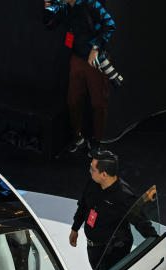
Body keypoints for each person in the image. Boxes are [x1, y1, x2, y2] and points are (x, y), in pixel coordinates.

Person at [69, 150, 158, 270]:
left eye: (93, 170)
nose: (90, 172)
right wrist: (75, 228)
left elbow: (142, 223)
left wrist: (158, 247)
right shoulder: (93, 183)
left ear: (104, 174)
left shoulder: (124, 196)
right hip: (93, 247)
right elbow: (83, 206)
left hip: (113, 252)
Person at [46, 0, 116, 155]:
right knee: (73, 100)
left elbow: (110, 24)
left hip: (95, 60)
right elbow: (50, 25)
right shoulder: (64, 7)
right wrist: (48, 9)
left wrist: (96, 48)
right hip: (76, 58)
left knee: (98, 103)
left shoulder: (91, 4)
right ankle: (78, 137)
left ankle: (97, 141)